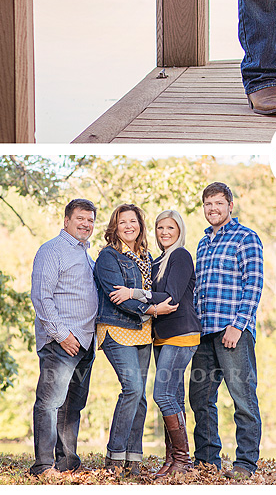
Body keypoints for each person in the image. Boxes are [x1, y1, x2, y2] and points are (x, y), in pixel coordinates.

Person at [93, 203, 178, 476]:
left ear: (140, 225)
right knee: (131, 388)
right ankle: (114, 459)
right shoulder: (108, 257)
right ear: (114, 227)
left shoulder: (146, 256)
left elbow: (144, 293)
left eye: (133, 221)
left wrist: (143, 299)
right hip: (116, 329)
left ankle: (133, 460)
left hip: (143, 331)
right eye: (122, 222)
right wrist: (153, 308)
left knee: (140, 396)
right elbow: (119, 299)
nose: (128, 226)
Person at [189, 182, 264, 479]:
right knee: (200, 397)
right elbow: (198, 291)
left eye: (218, 203)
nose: (213, 209)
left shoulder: (246, 237)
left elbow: (254, 284)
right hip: (204, 333)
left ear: (230, 206)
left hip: (233, 331)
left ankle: (245, 463)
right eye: (208, 204)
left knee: (243, 397)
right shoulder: (202, 243)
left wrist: (237, 325)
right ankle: (208, 460)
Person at [29, 199, 99, 476]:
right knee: (49, 402)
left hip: (85, 342)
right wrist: (61, 334)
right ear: (67, 220)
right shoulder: (52, 250)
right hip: (61, 342)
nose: (86, 224)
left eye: (91, 220)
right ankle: (44, 465)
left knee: (73, 405)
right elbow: (41, 297)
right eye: (81, 218)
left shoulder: (85, 254)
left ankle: (67, 460)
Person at [149, 209, 201, 477]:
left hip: (182, 333)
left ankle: (182, 460)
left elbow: (171, 297)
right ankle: (172, 461)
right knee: (174, 397)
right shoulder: (158, 261)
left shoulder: (181, 256)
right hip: (161, 336)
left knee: (162, 395)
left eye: (170, 228)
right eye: (160, 228)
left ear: (179, 230)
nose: (165, 232)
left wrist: (135, 294)